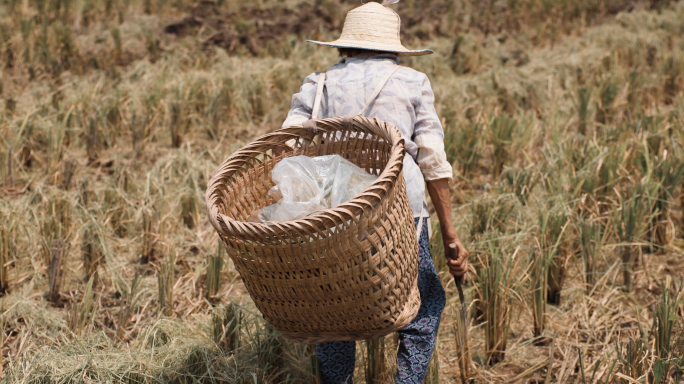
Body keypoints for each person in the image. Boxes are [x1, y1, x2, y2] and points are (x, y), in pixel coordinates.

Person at [281, 1, 468, 382]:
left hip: (335, 214)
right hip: (400, 210)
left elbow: (288, 146)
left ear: (344, 46)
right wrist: (450, 235)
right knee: (422, 303)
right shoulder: (413, 82)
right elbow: (432, 160)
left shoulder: (318, 84)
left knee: (335, 308)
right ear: (394, 47)